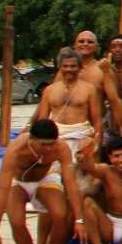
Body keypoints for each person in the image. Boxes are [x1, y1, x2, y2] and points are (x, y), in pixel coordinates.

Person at [0, 121, 81, 244]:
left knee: (61, 215)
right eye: (43, 144)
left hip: (45, 178)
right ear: (32, 139)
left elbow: (71, 184)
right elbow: (2, 191)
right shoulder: (16, 150)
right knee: (16, 221)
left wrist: (80, 220)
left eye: (51, 144)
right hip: (19, 182)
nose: (48, 148)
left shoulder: (61, 148)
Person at [32, 48, 103, 189]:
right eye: (65, 66)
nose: (69, 69)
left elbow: (97, 121)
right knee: (53, 183)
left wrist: (95, 145)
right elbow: (42, 122)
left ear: (80, 67)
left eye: (73, 66)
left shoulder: (89, 89)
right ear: (60, 67)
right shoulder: (49, 90)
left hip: (81, 139)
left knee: (81, 186)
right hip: (55, 140)